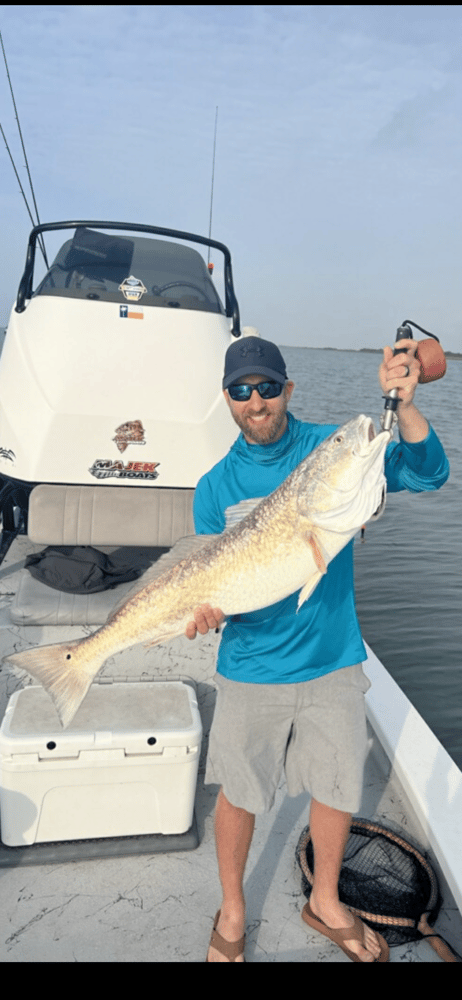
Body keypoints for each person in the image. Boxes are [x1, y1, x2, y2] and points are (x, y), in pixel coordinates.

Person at [185, 336, 449, 963]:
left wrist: (404, 406)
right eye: (243, 390)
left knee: (336, 786)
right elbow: (208, 579)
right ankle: (232, 908)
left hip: (332, 658)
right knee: (241, 792)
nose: (258, 401)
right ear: (227, 398)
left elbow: (428, 472)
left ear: (288, 390)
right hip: (251, 664)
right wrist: (204, 610)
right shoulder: (214, 486)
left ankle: (325, 902)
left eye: (269, 388)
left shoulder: (330, 450)